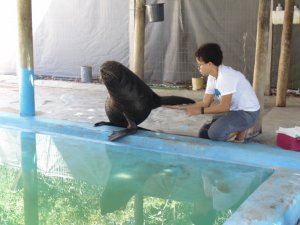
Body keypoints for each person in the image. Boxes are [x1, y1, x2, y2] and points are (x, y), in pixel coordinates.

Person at [174, 43, 260, 142]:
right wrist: (183, 105)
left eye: (200, 65)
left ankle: (241, 132)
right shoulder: (212, 77)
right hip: (234, 111)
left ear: (210, 64)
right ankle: (237, 129)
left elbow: (224, 107)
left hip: (247, 113)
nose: (199, 68)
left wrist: (199, 111)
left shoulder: (226, 76)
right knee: (204, 133)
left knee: (214, 134)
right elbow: (206, 103)